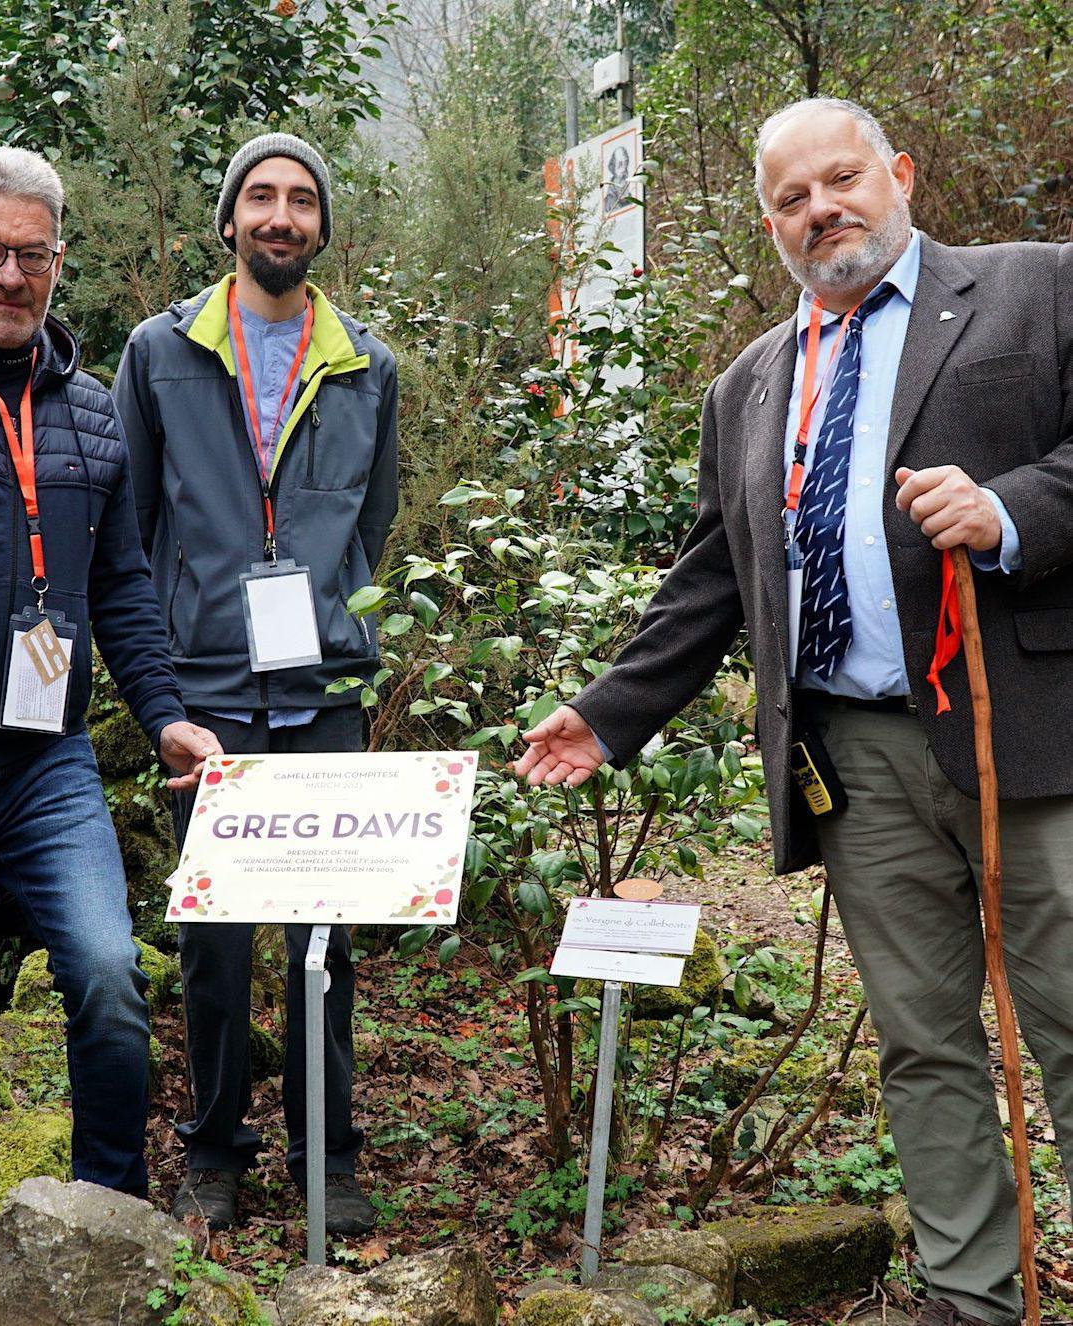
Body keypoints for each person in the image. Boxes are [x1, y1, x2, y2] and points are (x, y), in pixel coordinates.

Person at [517, 97, 1073, 1326]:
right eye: (790, 197)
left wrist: (1013, 510)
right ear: (768, 223)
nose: (822, 208)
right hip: (856, 754)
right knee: (924, 1044)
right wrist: (606, 715)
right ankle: (970, 1297)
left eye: (841, 178)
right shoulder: (751, 385)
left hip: (1028, 737)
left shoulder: (1038, 289)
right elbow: (715, 576)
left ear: (900, 173)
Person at [0, 146, 221, 1192]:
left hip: (46, 760)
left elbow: (122, 584)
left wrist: (167, 714)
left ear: (58, 262)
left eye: (31, 256)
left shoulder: (89, 410)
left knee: (106, 972)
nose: (9, 278)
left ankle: (109, 1216)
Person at [114, 133, 399, 1234]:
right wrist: (163, 686)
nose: (280, 216)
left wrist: (333, 626)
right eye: (261, 197)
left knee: (324, 939)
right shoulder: (160, 350)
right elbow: (136, 531)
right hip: (207, 700)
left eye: (301, 200)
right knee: (215, 944)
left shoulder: (366, 362)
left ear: (322, 227)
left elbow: (368, 522)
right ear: (228, 220)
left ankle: (327, 1152)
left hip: (324, 695)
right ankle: (216, 1149)